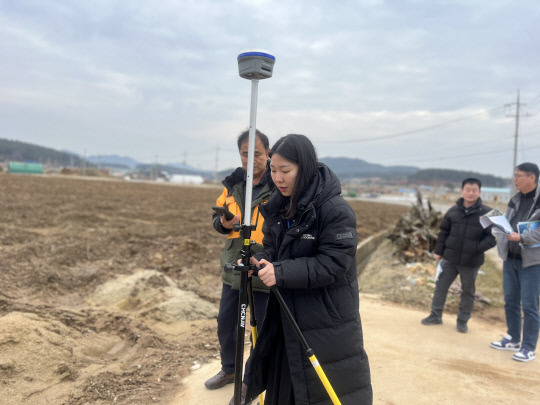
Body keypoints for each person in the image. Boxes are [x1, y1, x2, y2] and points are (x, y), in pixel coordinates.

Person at [244, 134, 373, 405]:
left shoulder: (335, 210)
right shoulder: (279, 206)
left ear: (304, 168)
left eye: (285, 171)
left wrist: (281, 272)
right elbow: (272, 248)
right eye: (273, 170)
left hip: (323, 316)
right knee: (285, 381)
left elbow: (333, 264)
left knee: (320, 390)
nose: (277, 178)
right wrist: (261, 261)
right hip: (286, 313)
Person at [205, 129, 273, 401]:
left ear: (267, 154)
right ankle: (229, 369)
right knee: (227, 323)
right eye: (246, 153)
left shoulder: (276, 184)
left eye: (257, 153)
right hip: (234, 266)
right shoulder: (233, 184)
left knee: (259, 329)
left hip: (263, 267)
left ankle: (250, 383)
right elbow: (217, 221)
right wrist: (223, 223)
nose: (251, 159)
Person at [421, 178, 496, 333]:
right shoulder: (453, 211)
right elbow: (443, 233)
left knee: (468, 291)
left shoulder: (488, 213)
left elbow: (493, 237)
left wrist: (477, 248)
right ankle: (435, 315)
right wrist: (438, 252)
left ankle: (462, 321)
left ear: (479, 192)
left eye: (474, 190)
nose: (470, 193)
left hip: (471, 261)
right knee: (441, 286)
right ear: (462, 191)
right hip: (450, 258)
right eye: (467, 189)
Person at [490, 162, 540, 362]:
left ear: (532, 178)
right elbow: (510, 223)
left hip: (531, 263)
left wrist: (522, 238)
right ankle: (512, 338)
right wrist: (499, 228)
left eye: (518, 176)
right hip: (510, 258)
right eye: (514, 175)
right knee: (510, 301)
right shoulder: (515, 199)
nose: (515, 179)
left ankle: (528, 347)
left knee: (529, 305)